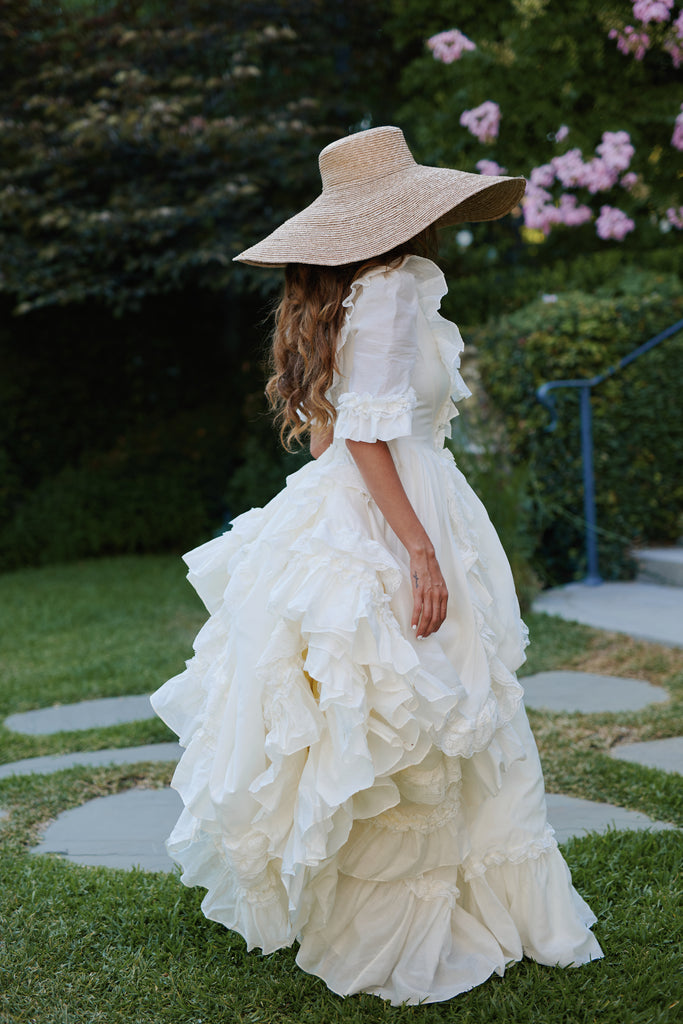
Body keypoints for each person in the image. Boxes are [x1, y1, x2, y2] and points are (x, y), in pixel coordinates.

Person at [150, 126, 603, 1005]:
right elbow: (362, 435)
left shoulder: (344, 297)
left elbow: (330, 434)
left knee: (393, 710)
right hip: (401, 506)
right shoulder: (391, 288)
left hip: (367, 499)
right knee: (429, 703)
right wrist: (418, 551)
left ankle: (388, 903)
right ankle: (419, 918)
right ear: (410, 213)